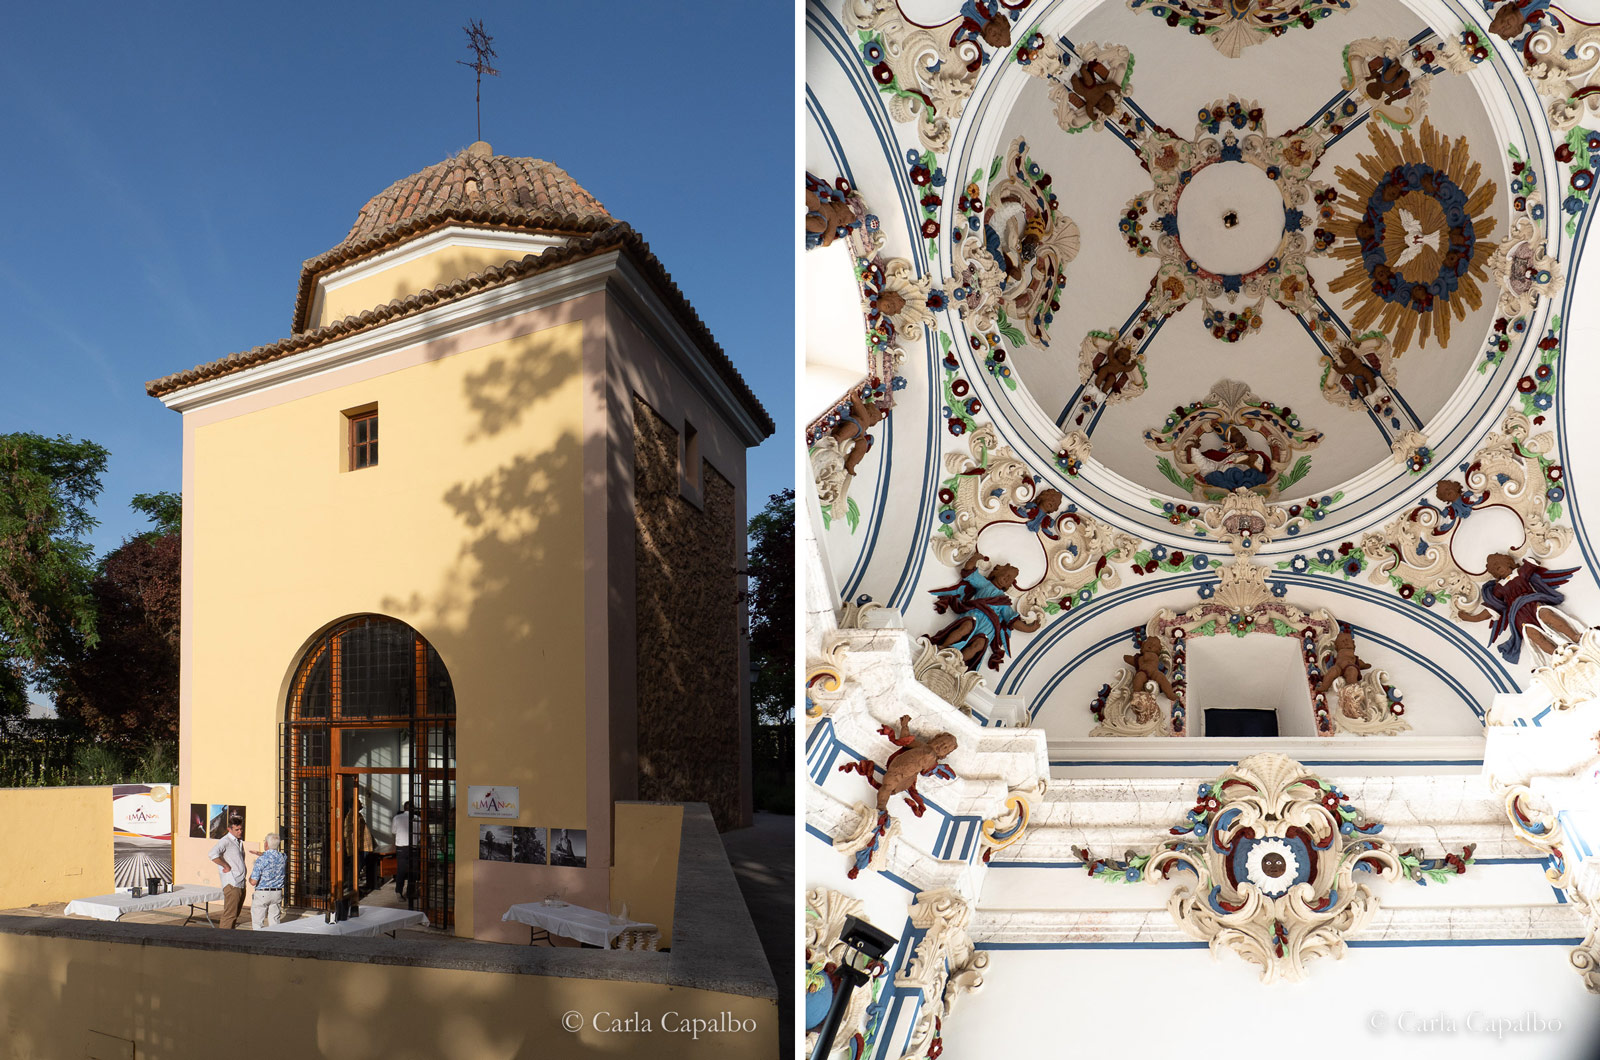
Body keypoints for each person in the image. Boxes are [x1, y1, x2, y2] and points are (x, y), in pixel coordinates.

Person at [208, 815, 247, 929]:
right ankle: (222, 940)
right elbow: (212, 854)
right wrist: (225, 866)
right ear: (230, 829)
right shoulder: (225, 841)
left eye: (241, 829)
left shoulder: (238, 842)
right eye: (237, 830)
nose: (240, 832)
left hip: (240, 882)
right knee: (229, 915)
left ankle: (230, 938)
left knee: (235, 915)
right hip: (232, 883)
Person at [249, 833, 287, 929]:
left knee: (258, 923)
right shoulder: (283, 857)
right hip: (277, 892)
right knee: (275, 921)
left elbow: (253, 881)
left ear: (266, 844)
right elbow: (272, 855)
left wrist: (249, 878)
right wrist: (259, 853)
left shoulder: (261, 860)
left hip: (263, 893)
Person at [392, 801, 418, 901]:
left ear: (404, 808)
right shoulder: (417, 819)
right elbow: (420, 832)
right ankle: (410, 891)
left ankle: (398, 892)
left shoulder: (396, 818)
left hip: (401, 848)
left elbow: (393, 831)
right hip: (413, 848)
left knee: (401, 870)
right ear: (413, 809)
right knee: (413, 870)